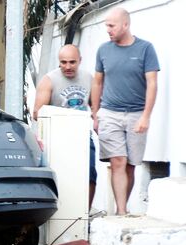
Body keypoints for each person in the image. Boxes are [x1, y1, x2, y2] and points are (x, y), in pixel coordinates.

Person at [91, 7, 159, 215]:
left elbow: (152, 83)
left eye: (111, 26)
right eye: (106, 26)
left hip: (137, 114)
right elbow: (97, 82)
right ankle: (121, 211)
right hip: (109, 113)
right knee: (117, 160)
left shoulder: (145, 49)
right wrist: (96, 114)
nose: (108, 30)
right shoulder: (103, 50)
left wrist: (146, 116)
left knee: (130, 165)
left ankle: (124, 207)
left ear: (125, 25)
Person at [33, 44, 96, 208]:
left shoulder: (89, 79)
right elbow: (37, 113)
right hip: (58, 136)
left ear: (80, 61)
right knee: (61, 177)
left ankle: (85, 215)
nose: (68, 66)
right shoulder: (49, 80)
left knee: (90, 175)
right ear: (59, 62)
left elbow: (96, 107)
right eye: (64, 62)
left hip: (82, 134)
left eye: (72, 62)